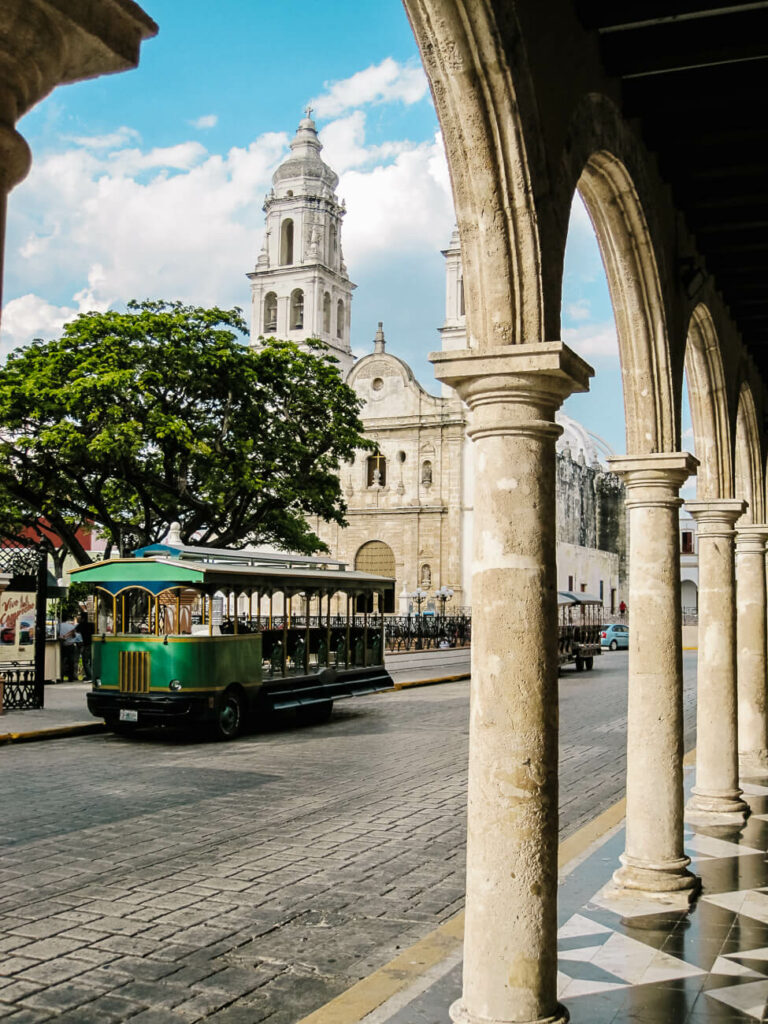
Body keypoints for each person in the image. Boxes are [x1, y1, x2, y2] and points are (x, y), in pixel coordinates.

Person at [58, 617, 80, 681]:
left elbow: (57, 635)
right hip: (71, 645)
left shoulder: (59, 626)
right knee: (71, 662)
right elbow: (74, 635)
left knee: (62, 661)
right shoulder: (71, 626)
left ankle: (61, 676)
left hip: (63, 645)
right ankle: (71, 677)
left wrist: (63, 637)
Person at [77, 612, 94, 680]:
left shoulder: (82, 624)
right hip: (93, 644)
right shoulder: (92, 624)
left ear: (82, 618)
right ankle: (92, 675)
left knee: (85, 661)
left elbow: (75, 631)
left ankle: (90, 676)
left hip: (87, 644)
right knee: (91, 660)